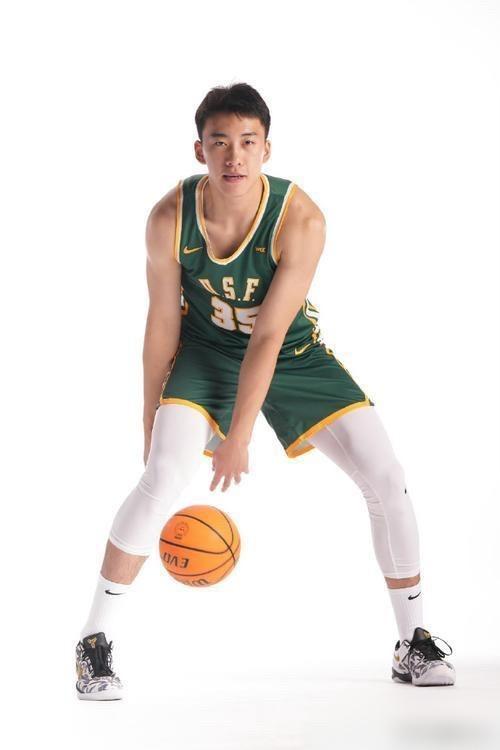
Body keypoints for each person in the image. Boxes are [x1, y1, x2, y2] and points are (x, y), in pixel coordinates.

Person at [75, 82, 455, 700]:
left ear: (267, 149)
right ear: (199, 149)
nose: (234, 156)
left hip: (293, 356)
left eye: (248, 142)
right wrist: (149, 413)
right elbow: (161, 322)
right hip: (205, 354)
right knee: (162, 474)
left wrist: (240, 435)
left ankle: (413, 640)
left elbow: (271, 335)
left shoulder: (301, 219)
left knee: (387, 477)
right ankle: (94, 642)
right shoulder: (170, 218)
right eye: (220, 142)